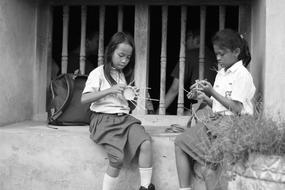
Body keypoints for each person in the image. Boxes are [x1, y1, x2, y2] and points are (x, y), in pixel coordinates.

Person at [174, 29, 256, 190]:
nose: (218, 58)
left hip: (233, 126)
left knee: (208, 170)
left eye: (222, 54)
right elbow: (221, 107)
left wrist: (212, 92)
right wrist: (206, 98)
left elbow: (237, 109)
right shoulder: (221, 73)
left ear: (236, 52)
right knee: (180, 142)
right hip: (216, 122)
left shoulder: (242, 75)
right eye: (216, 53)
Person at [81, 32, 155, 190]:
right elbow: (84, 99)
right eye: (121, 55)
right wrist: (110, 90)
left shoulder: (122, 75)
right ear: (110, 51)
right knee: (117, 159)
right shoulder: (98, 73)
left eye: (128, 58)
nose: (124, 61)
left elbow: (125, 106)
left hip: (124, 120)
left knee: (146, 143)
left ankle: (146, 186)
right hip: (103, 120)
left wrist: (134, 97)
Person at [163, 30, 217, 115]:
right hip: (217, 107)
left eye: (188, 37)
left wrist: (159, 111)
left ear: (197, 40)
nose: (184, 42)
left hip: (203, 108)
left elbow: (175, 88)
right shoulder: (215, 56)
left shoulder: (189, 55)